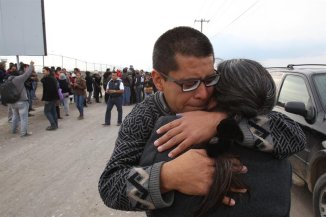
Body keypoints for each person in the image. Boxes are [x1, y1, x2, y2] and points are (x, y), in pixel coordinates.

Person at [98, 26, 305, 213]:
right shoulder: (144, 116)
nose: (204, 94)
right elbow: (110, 187)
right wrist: (167, 177)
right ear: (159, 81)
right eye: (189, 83)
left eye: (209, 79)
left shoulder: (224, 97)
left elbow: (293, 136)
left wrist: (220, 122)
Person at [139, 58, 303, 217]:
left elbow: (135, 196)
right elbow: (297, 136)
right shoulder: (278, 148)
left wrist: (164, 179)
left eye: (210, 81)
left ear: (215, 94)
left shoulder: (172, 130)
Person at [9, 61, 34, 137]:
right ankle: (24, 133)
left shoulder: (8, 80)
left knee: (15, 116)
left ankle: (13, 130)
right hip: (22, 101)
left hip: (13, 102)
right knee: (24, 118)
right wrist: (31, 65)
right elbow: (27, 73)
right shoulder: (18, 79)